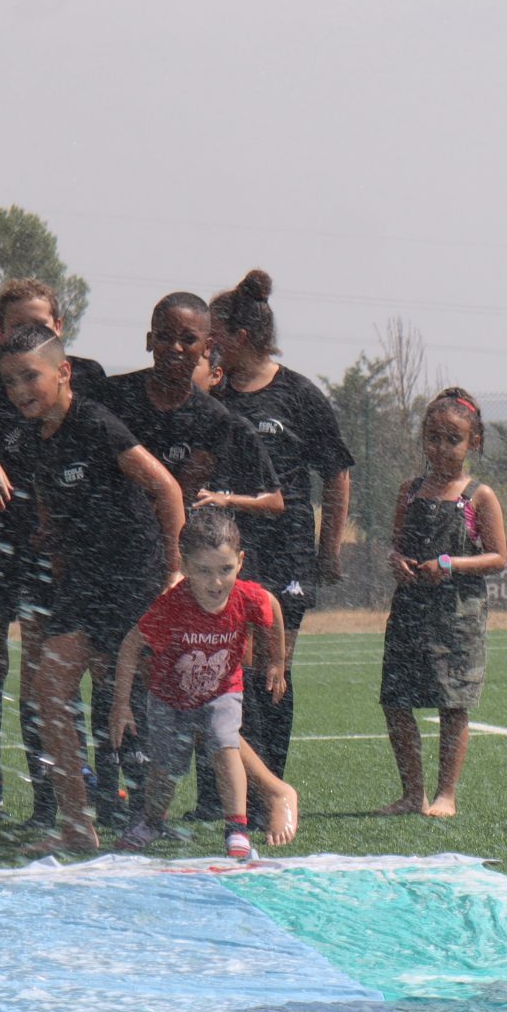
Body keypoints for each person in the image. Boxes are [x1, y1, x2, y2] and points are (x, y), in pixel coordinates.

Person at [0, 325, 183, 854]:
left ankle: (181, 808)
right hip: (83, 584)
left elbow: (166, 487)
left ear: (63, 373)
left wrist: (174, 574)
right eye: (10, 382)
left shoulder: (96, 424)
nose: (20, 391)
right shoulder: (34, 435)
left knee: (152, 701)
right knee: (48, 692)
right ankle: (77, 825)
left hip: (134, 579)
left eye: (30, 377)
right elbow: (35, 487)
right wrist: (51, 534)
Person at [98, 291, 283, 825]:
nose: (175, 348)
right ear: (148, 338)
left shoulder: (219, 421)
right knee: (117, 676)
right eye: (165, 335)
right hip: (122, 561)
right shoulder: (114, 400)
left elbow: (276, 499)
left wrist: (226, 501)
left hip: (194, 579)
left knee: (200, 688)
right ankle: (112, 799)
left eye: (189, 339)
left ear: (209, 348)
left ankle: (219, 808)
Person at [0, 277, 106, 825]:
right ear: (0, 333)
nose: (28, 333)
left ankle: (62, 784)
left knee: (49, 663)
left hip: (58, 542)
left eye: (39, 325)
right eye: (18, 326)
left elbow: (109, 444)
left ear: (59, 329)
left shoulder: (86, 377)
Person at [210, 270, 353, 793]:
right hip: (226, 551)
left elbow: (336, 470)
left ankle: (274, 783)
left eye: (214, 334)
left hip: (287, 548)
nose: (208, 344)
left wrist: (329, 546)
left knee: (273, 666)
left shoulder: (297, 394)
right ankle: (224, 791)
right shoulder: (214, 393)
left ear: (239, 337)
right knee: (228, 665)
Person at [109, 508, 298, 861]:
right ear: (184, 566)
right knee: (166, 769)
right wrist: (121, 704)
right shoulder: (172, 606)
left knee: (226, 749)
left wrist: (277, 661)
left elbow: (272, 605)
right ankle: (152, 820)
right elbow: (131, 645)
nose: (216, 583)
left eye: (225, 570)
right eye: (203, 571)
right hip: (169, 699)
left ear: (240, 562)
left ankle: (236, 829)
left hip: (223, 690)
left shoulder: (246, 596)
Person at [378, 387, 506, 818]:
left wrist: (448, 565)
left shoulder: (479, 497)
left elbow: (498, 557)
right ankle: (411, 793)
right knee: (396, 701)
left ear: (475, 442)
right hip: (410, 612)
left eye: (452, 438)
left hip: (456, 619)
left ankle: (445, 794)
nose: (441, 447)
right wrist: (397, 562)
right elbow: (396, 546)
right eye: (433, 437)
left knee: (453, 705)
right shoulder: (409, 492)